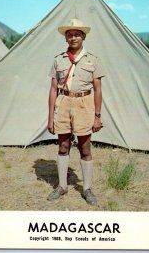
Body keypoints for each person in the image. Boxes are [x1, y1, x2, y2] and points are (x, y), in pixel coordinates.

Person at [47, 18, 105, 205]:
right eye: (70, 35)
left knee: (85, 148)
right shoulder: (58, 60)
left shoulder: (93, 60)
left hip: (84, 103)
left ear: (83, 37)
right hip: (63, 103)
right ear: (66, 38)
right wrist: (50, 118)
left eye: (77, 34)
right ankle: (62, 186)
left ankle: (87, 188)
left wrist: (97, 116)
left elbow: (98, 90)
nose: (73, 38)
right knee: (63, 147)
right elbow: (53, 89)